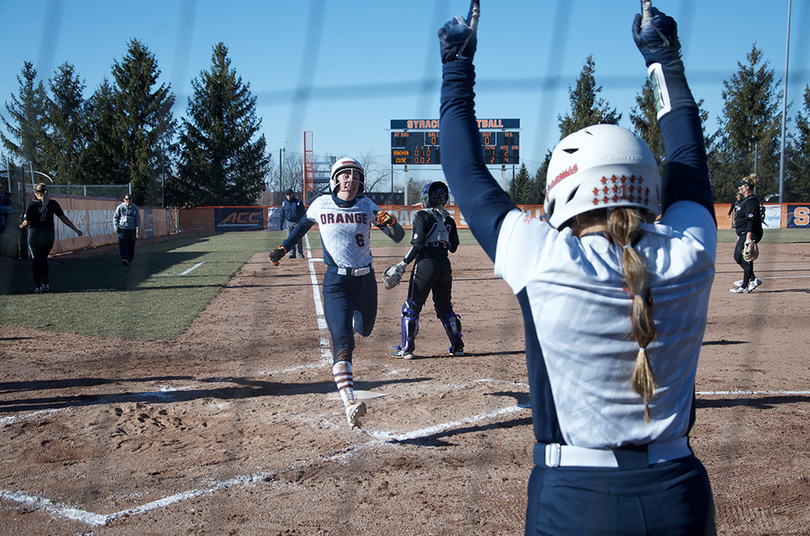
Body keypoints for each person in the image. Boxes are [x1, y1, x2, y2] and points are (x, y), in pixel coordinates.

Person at [438, 5, 716, 535]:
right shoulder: (691, 253)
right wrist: (663, 58)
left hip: (575, 500)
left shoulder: (547, 259)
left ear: (564, 194)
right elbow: (689, 161)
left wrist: (457, 65)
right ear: (649, 189)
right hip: (680, 495)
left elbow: (463, 170)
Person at [268, 157, 405, 428]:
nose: (350, 181)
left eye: (355, 177)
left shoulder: (368, 205)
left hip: (366, 282)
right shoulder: (321, 204)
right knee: (344, 345)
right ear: (335, 179)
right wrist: (284, 249)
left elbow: (398, 236)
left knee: (364, 330)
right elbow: (300, 229)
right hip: (336, 284)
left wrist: (391, 222)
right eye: (345, 176)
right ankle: (350, 403)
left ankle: (350, 319)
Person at [390, 181, 463, 359]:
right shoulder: (449, 219)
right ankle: (457, 345)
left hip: (425, 264)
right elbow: (453, 247)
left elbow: (418, 245)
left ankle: (407, 348)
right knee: (445, 307)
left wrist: (402, 264)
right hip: (444, 265)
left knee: (411, 308)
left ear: (426, 198)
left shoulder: (422, 215)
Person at [19, 183, 83, 293]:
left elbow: (27, 222)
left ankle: (37, 285)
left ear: (36, 193)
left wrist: (20, 226)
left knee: (36, 261)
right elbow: (63, 218)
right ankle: (45, 284)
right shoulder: (52, 203)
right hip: (48, 234)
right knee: (44, 259)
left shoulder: (31, 205)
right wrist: (76, 230)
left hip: (36, 234)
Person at [730, 174, 763, 293]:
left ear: (747, 187)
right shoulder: (747, 201)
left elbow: (751, 221)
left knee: (742, 257)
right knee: (739, 257)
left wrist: (748, 238)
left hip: (750, 233)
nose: (739, 188)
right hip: (744, 233)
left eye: (741, 186)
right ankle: (753, 280)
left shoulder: (751, 201)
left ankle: (744, 286)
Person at [113, 194, 140, 266]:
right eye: (126, 199)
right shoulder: (120, 207)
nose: (128, 200)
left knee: (131, 245)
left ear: (132, 200)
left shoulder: (135, 208)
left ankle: (129, 259)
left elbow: (137, 219)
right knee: (123, 244)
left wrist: (137, 230)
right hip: (122, 229)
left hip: (132, 229)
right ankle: (124, 258)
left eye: (129, 199)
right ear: (124, 200)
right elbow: (116, 217)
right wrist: (116, 226)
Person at [281, 188, 306, 258]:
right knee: (290, 238)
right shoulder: (284, 203)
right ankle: (292, 253)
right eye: (287, 194)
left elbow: (303, 212)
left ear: (292, 194)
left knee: (298, 238)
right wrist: (281, 223)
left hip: (297, 222)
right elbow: (282, 213)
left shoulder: (298, 202)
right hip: (288, 222)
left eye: (290, 194)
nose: (289, 196)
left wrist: (303, 221)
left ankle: (300, 253)